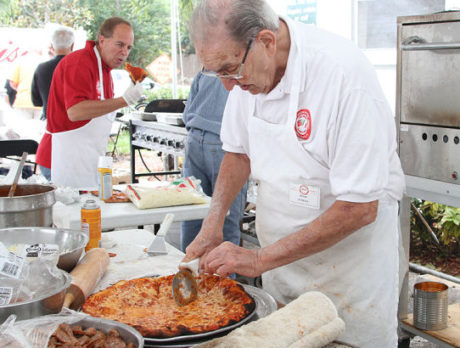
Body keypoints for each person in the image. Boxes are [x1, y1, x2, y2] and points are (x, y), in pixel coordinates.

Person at [182, 1, 405, 347]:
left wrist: (257, 258)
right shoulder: (246, 75)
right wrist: (214, 220)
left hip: (349, 276)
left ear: (267, 41)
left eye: (230, 69)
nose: (227, 87)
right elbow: (238, 153)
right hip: (282, 268)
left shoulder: (343, 76)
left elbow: (359, 207)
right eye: (216, 74)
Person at [36, 17, 143, 186]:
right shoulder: (80, 62)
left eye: (128, 47)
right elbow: (75, 111)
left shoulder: (106, 70)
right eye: (120, 44)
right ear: (102, 40)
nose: (124, 52)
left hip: (86, 159)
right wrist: (124, 100)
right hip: (61, 159)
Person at [180, 71, 247, 253]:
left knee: (193, 211)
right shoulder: (244, 70)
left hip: (194, 139)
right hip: (225, 145)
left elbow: (187, 113)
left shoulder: (208, 67)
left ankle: (188, 272)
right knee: (225, 218)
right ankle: (221, 278)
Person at [32, 25, 75, 121]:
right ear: (72, 45)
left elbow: (36, 101)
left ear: (52, 45)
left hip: (50, 122)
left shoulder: (41, 68)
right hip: (74, 124)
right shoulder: (80, 68)